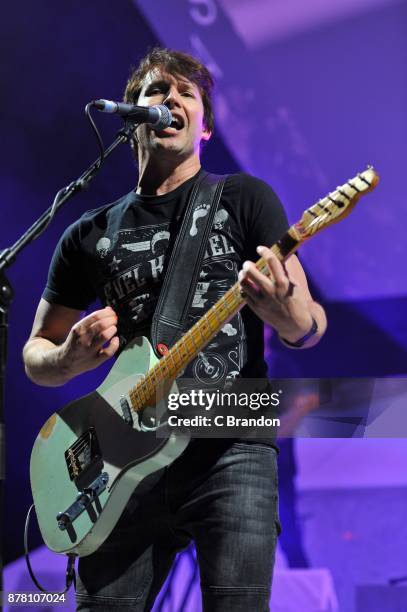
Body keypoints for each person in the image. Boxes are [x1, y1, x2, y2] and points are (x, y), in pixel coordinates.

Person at [23, 48, 327, 612]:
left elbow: (311, 327)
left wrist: (286, 312)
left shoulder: (244, 198)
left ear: (205, 126)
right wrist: (68, 357)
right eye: (158, 92)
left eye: (188, 94)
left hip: (232, 440)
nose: (172, 101)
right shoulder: (89, 232)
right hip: (118, 463)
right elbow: (34, 355)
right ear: (133, 115)